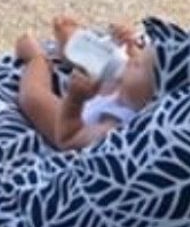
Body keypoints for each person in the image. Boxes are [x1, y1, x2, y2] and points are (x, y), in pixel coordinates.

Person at [14, 16, 157, 151]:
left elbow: (68, 139)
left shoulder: (112, 129)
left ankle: (36, 59)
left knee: (32, 97)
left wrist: (75, 100)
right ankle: (71, 44)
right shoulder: (138, 91)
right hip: (117, 93)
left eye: (138, 65)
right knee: (109, 58)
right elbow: (142, 66)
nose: (134, 60)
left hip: (70, 122)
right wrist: (129, 43)